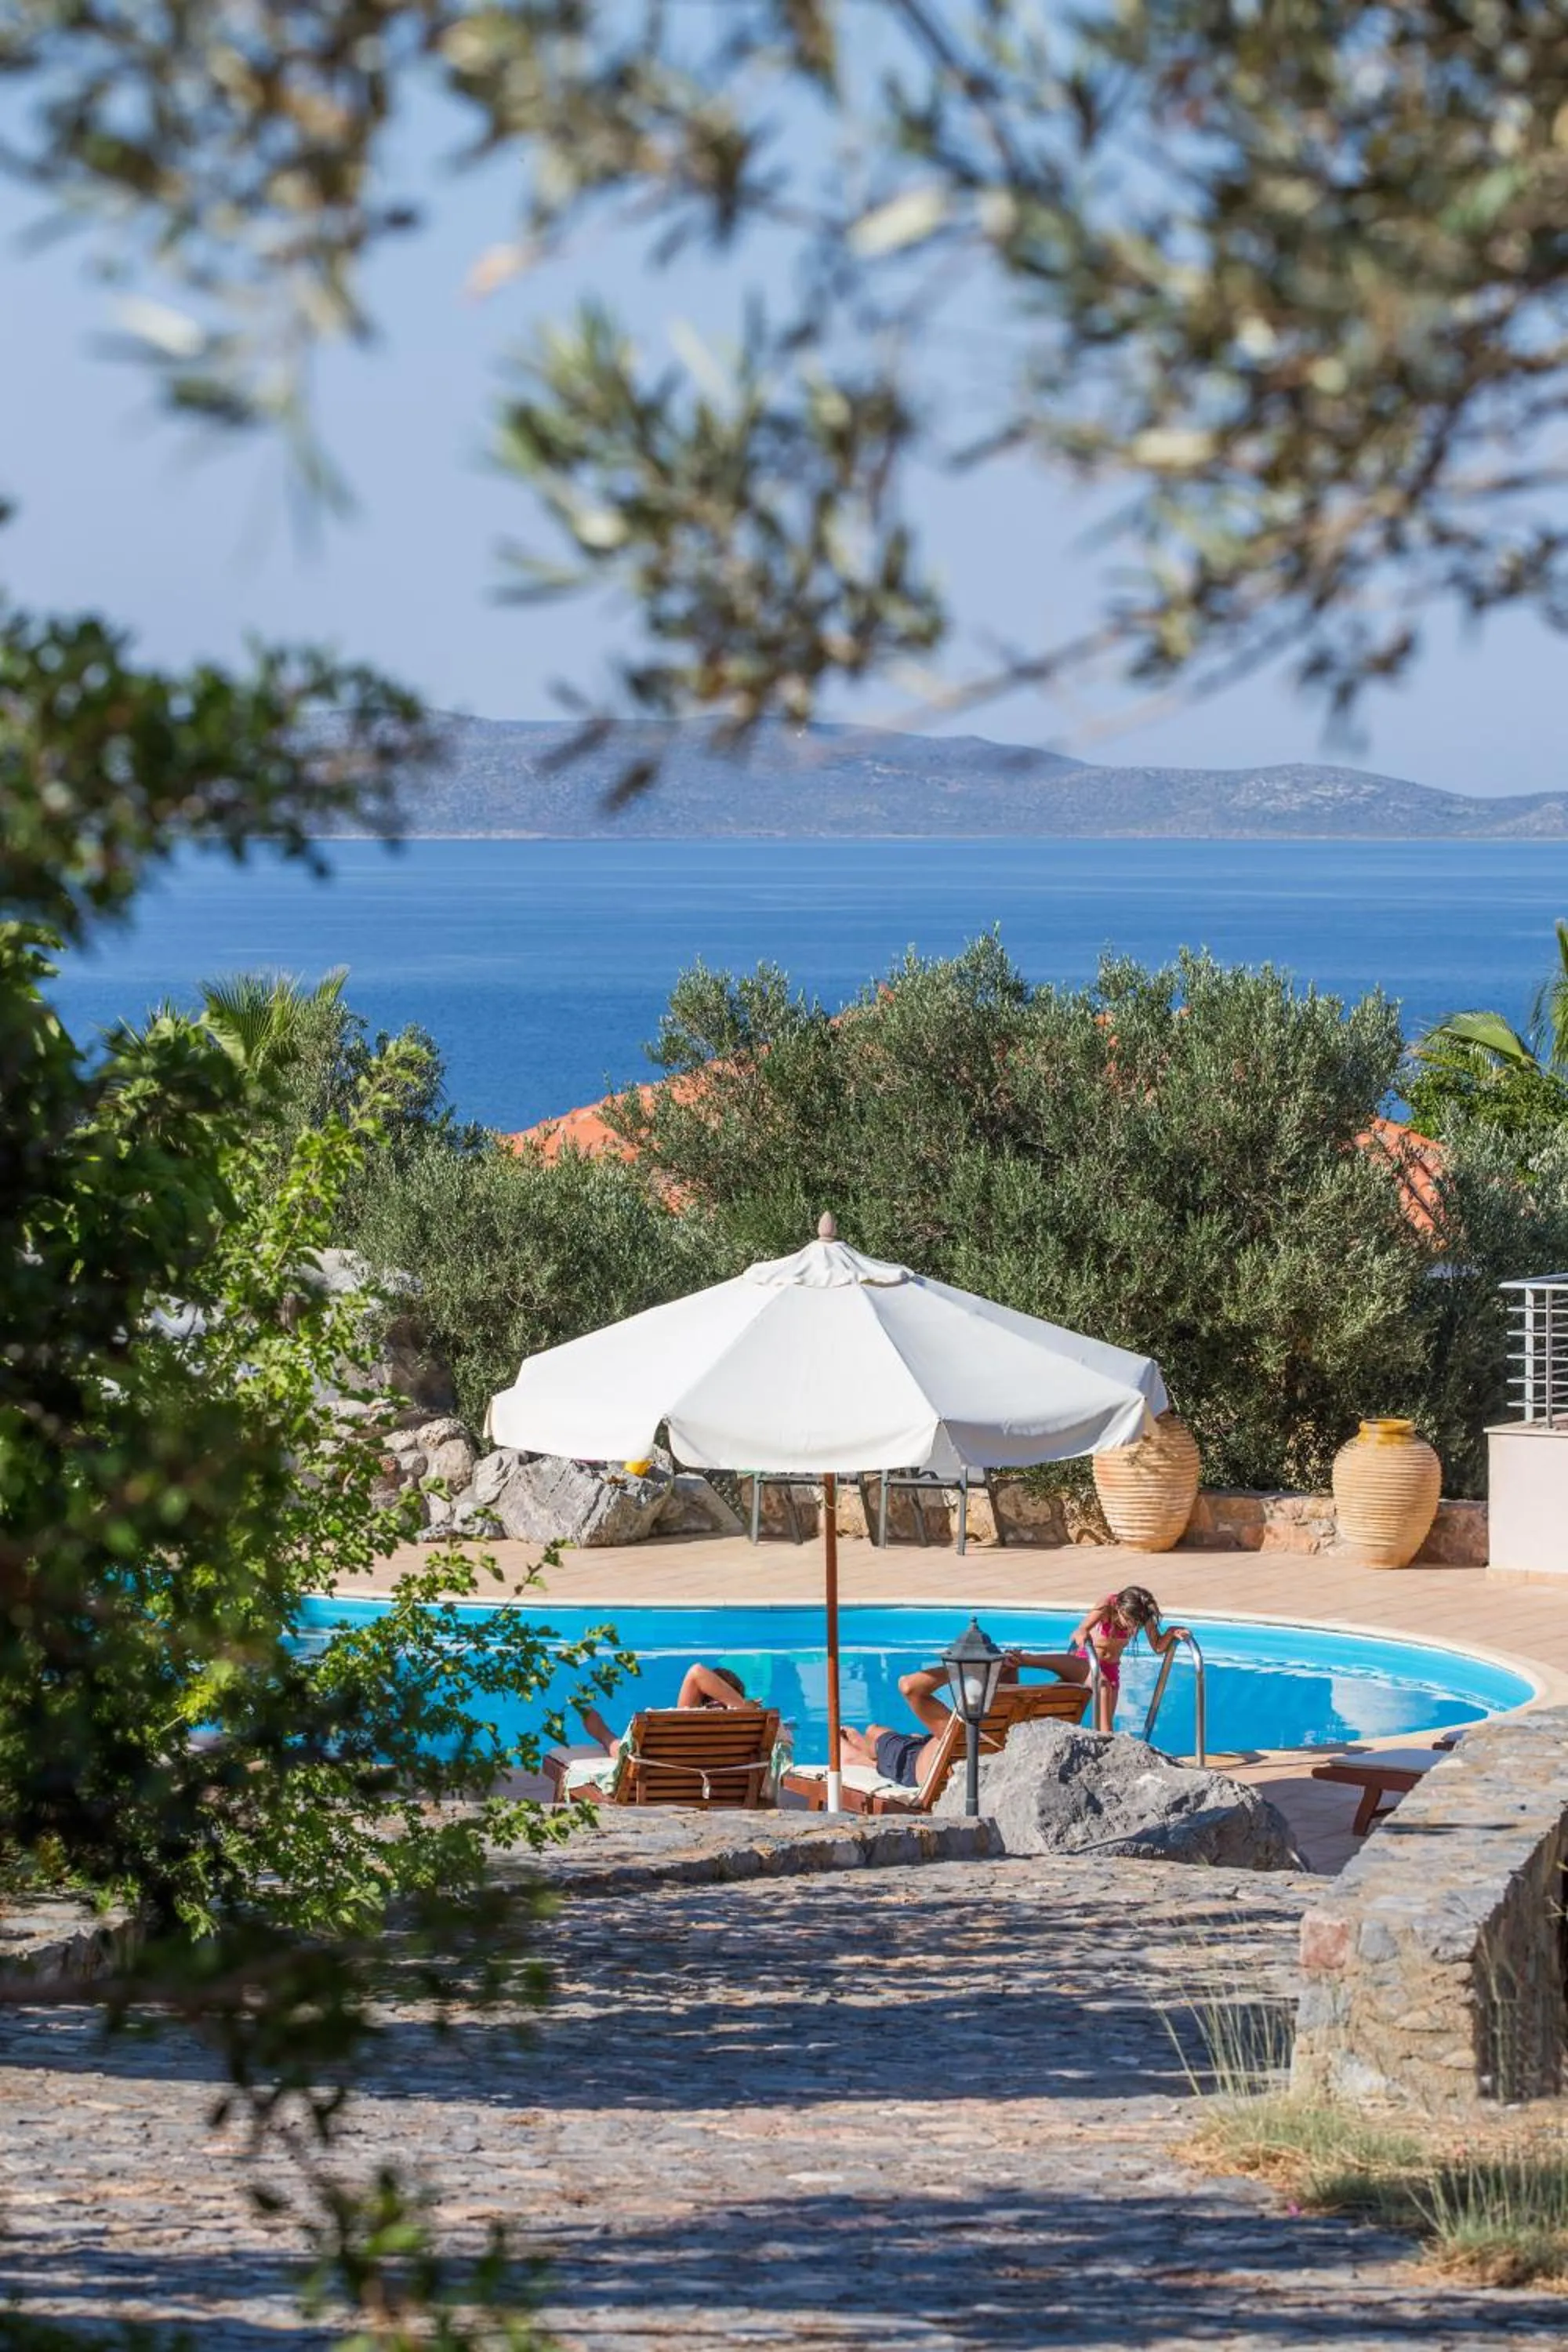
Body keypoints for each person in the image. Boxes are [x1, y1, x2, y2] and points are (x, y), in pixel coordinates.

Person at [837, 1645, 1073, 1793]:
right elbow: (1085, 1672)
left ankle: (859, 1755)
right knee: (906, 1736)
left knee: (874, 1730)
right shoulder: (1037, 1718)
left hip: (912, 1763)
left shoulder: (968, 1731)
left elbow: (908, 1686)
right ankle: (867, 1749)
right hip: (929, 1748)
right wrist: (1030, 1660)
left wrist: (967, 1668)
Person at [544, 1661, 754, 1802]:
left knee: (627, 1751)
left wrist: (743, 1705)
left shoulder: (685, 1722)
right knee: (631, 1751)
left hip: (661, 1784)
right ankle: (605, 1735)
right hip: (722, 1789)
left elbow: (697, 1672)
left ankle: (604, 1735)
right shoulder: (752, 1729)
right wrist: (747, 1710)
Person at [1029, 1584, 1192, 1731]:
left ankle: (1105, 1748)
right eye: (1129, 1621)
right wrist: (1082, 1635)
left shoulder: (1141, 1614)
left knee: (1105, 1722)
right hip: (1087, 1661)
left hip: (1111, 1669)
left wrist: (1171, 1633)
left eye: (1137, 1624)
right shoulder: (1107, 1605)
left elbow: (1158, 1647)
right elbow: (1081, 1629)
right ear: (1120, 1608)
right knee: (1100, 1693)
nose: (1133, 1627)